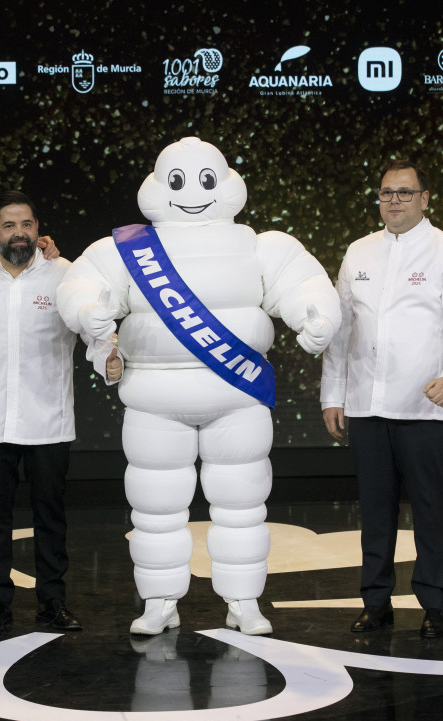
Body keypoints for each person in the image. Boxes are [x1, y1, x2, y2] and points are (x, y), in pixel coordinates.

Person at [58, 137, 340, 636]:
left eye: (206, 180)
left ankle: (244, 602)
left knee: (243, 504)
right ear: (157, 186)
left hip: (236, 397)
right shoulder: (128, 248)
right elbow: (81, 283)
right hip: (154, 400)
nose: (193, 192)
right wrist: (90, 312)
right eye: (179, 181)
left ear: (226, 183)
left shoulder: (259, 245)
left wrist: (315, 315)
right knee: (155, 506)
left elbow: (301, 282)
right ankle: (159, 601)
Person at [320, 159, 443, 638]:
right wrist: (334, 395)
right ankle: (376, 602)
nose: (394, 200)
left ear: (425, 198)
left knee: (431, 508)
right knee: (375, 509)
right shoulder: (358, 252)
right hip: (367, 406)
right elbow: (340, 331)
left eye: (405, 192)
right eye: (387, 192)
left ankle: (433, 604)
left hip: (425, 406)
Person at [0, 190, 98, 633]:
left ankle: (53, 602)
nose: (19, 233)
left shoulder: (66, 275)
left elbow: (95, 325)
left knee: (50, 519)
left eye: (27, 225)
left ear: (39, 231)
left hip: (48, 420)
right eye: (9, 225)